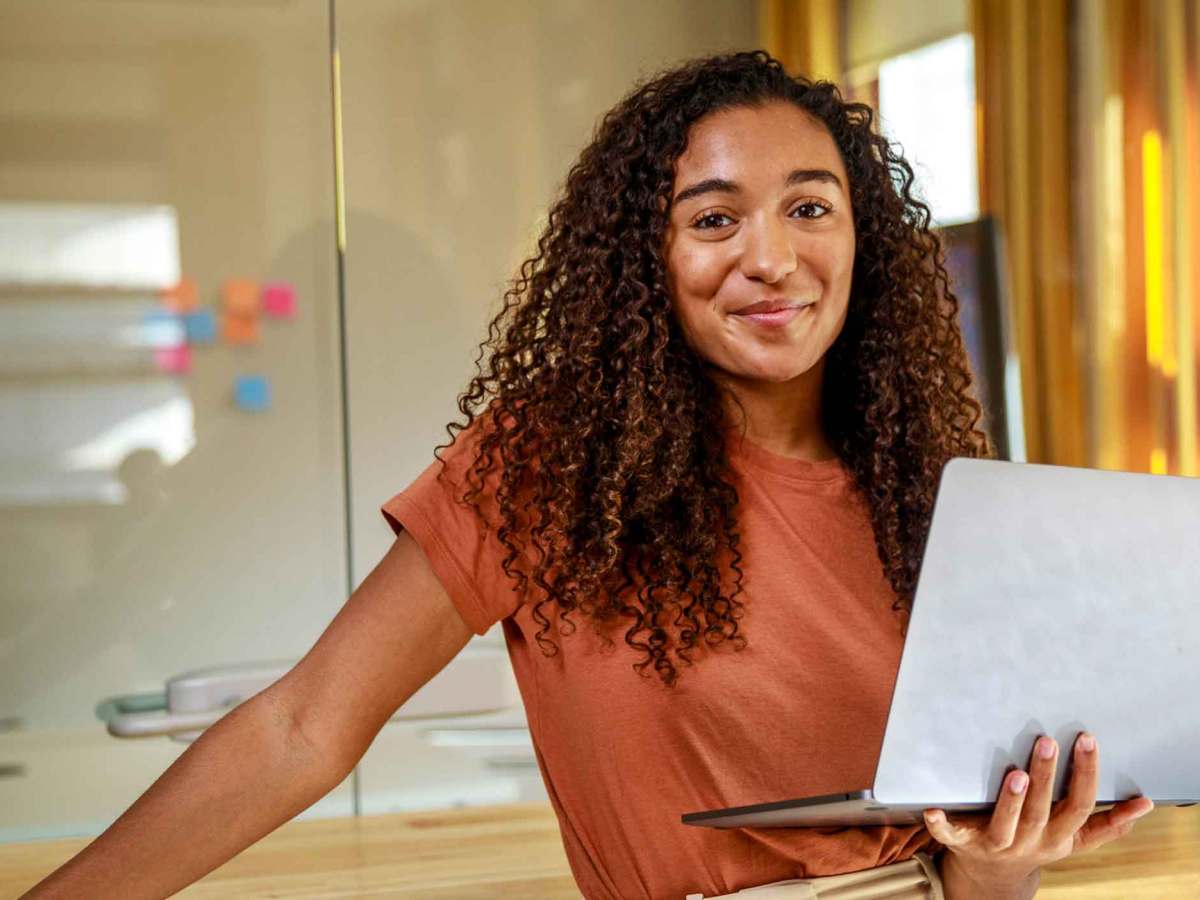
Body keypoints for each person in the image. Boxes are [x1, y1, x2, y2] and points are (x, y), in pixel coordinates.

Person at [24, 50, 1152, 900]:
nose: (771, 257)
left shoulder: (932, 497)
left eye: (810, 208)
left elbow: (967, 873)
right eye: (714, 218)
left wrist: (1006, 860)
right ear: (644, 258)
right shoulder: (555, 465)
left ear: (865, 241)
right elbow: (304, 729)